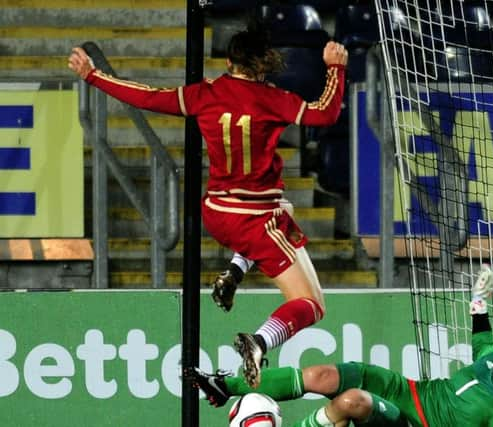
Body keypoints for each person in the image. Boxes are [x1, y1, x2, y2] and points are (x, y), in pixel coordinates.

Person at [68, 28, 349, 389]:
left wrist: (93, 75)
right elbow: (324, 114)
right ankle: (260, 342)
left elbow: (147, 97)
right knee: (311, 304)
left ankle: (234, 270)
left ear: (228, 62)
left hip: (217, 211)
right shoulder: (273, 98)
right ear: (264, 63)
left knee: (285, 208)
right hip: (255, 219)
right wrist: (335, 68)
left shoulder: (205, 94)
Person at [185, 265, 493, 427]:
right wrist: (479, 302)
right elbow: (482, 337)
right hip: (411, 392)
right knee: (321, 374)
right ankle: (223, 386)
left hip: (420, 424)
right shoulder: (490, 358)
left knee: (352, 402)